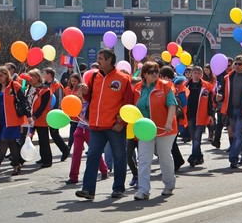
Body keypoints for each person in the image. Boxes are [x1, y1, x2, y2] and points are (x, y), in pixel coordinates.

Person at [76, 48, 134, 201]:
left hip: (115, 126)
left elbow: (129, 103)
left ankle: (118, 188)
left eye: (101, 58)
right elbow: (90, 98)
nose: (98, 61)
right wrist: (85, 91)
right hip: (96, 126)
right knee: (92, 156)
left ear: (109, 60)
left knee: (119, 157)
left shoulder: (123, 78)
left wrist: (121, 122)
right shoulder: (94, 77)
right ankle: (88, 189)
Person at [132, 61, 177, 200]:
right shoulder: (137, 88)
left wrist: (169, 122)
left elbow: (172, 105)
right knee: (144, 159)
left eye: (157, 72)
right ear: (144, 74)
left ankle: (169, 184)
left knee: (164, 157)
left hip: (164, 129)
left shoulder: (165, 86)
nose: (155, 74)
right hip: (145, 129)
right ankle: (143, 189)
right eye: (151, 72)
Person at [65, 83, 109, 185]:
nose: (79, 93)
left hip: (90, 131)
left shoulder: (92, 103)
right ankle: (73, 177)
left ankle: (104, 170)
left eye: (81, 90)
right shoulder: (77, 103)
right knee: (76, 154)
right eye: (78, 90)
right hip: (79, 129)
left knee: (94, 153)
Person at [0, 66, 27, 177]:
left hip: (12, 119)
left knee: (3, 141)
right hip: (1, 118)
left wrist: (28, 116)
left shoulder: (15, 86)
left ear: (7, 75)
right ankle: (16, 166)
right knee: (11, 143)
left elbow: (23, 102)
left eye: (1, 75)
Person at [184, 66, 215, 168]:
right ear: (191, 74)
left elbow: (210, 102)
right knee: (194, 138)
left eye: (198, 73)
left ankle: (193, 157)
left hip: (201, 115)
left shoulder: (207, 86)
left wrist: (211, 115)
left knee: (197, 137)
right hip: (190, 115)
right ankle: (199, 156)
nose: (196, 75)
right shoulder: (186, 85)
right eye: (194, 73)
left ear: (201, 75)